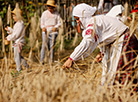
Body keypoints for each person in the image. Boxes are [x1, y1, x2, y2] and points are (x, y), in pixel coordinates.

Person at [63, 3, 138, 86]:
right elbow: (106, 37)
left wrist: (72, 58)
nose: (77, 22)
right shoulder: (96, 21)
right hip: (121, 41)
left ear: (84, 16)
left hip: (125, 42)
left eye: (78, 18)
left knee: (117, 73)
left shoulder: (93, 22)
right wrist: (101, 53)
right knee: (112, 74)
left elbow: (87, 42)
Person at [5, 7, 29, 72]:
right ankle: (26, 66)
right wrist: (9, 29)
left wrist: (8, 38)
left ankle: (19, 70)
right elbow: (15, 32)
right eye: (13, 16)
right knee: (19, 56)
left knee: (16, 57)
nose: (13, 18)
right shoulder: (18, 24)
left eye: (14, 16)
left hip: (18, 42)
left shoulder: (20, 24)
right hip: (17, 42)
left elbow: (16, 35)